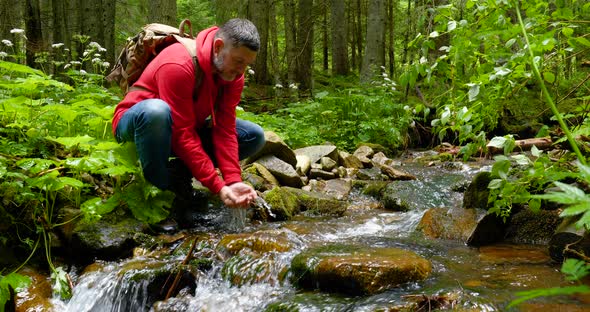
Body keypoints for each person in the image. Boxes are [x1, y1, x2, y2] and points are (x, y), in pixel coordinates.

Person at [111, 18, 265, 215]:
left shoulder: (232, 74)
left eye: (247, 64)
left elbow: (225, 130)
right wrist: (217, 186)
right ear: (218, 47)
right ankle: (160, 200)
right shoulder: (178, 63)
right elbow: (182, 133)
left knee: (253, 136)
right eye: (238, 61)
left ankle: (177, 174)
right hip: (138, 126)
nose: (241, 71)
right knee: (157, 112)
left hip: (178, 130)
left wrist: (233, 181)